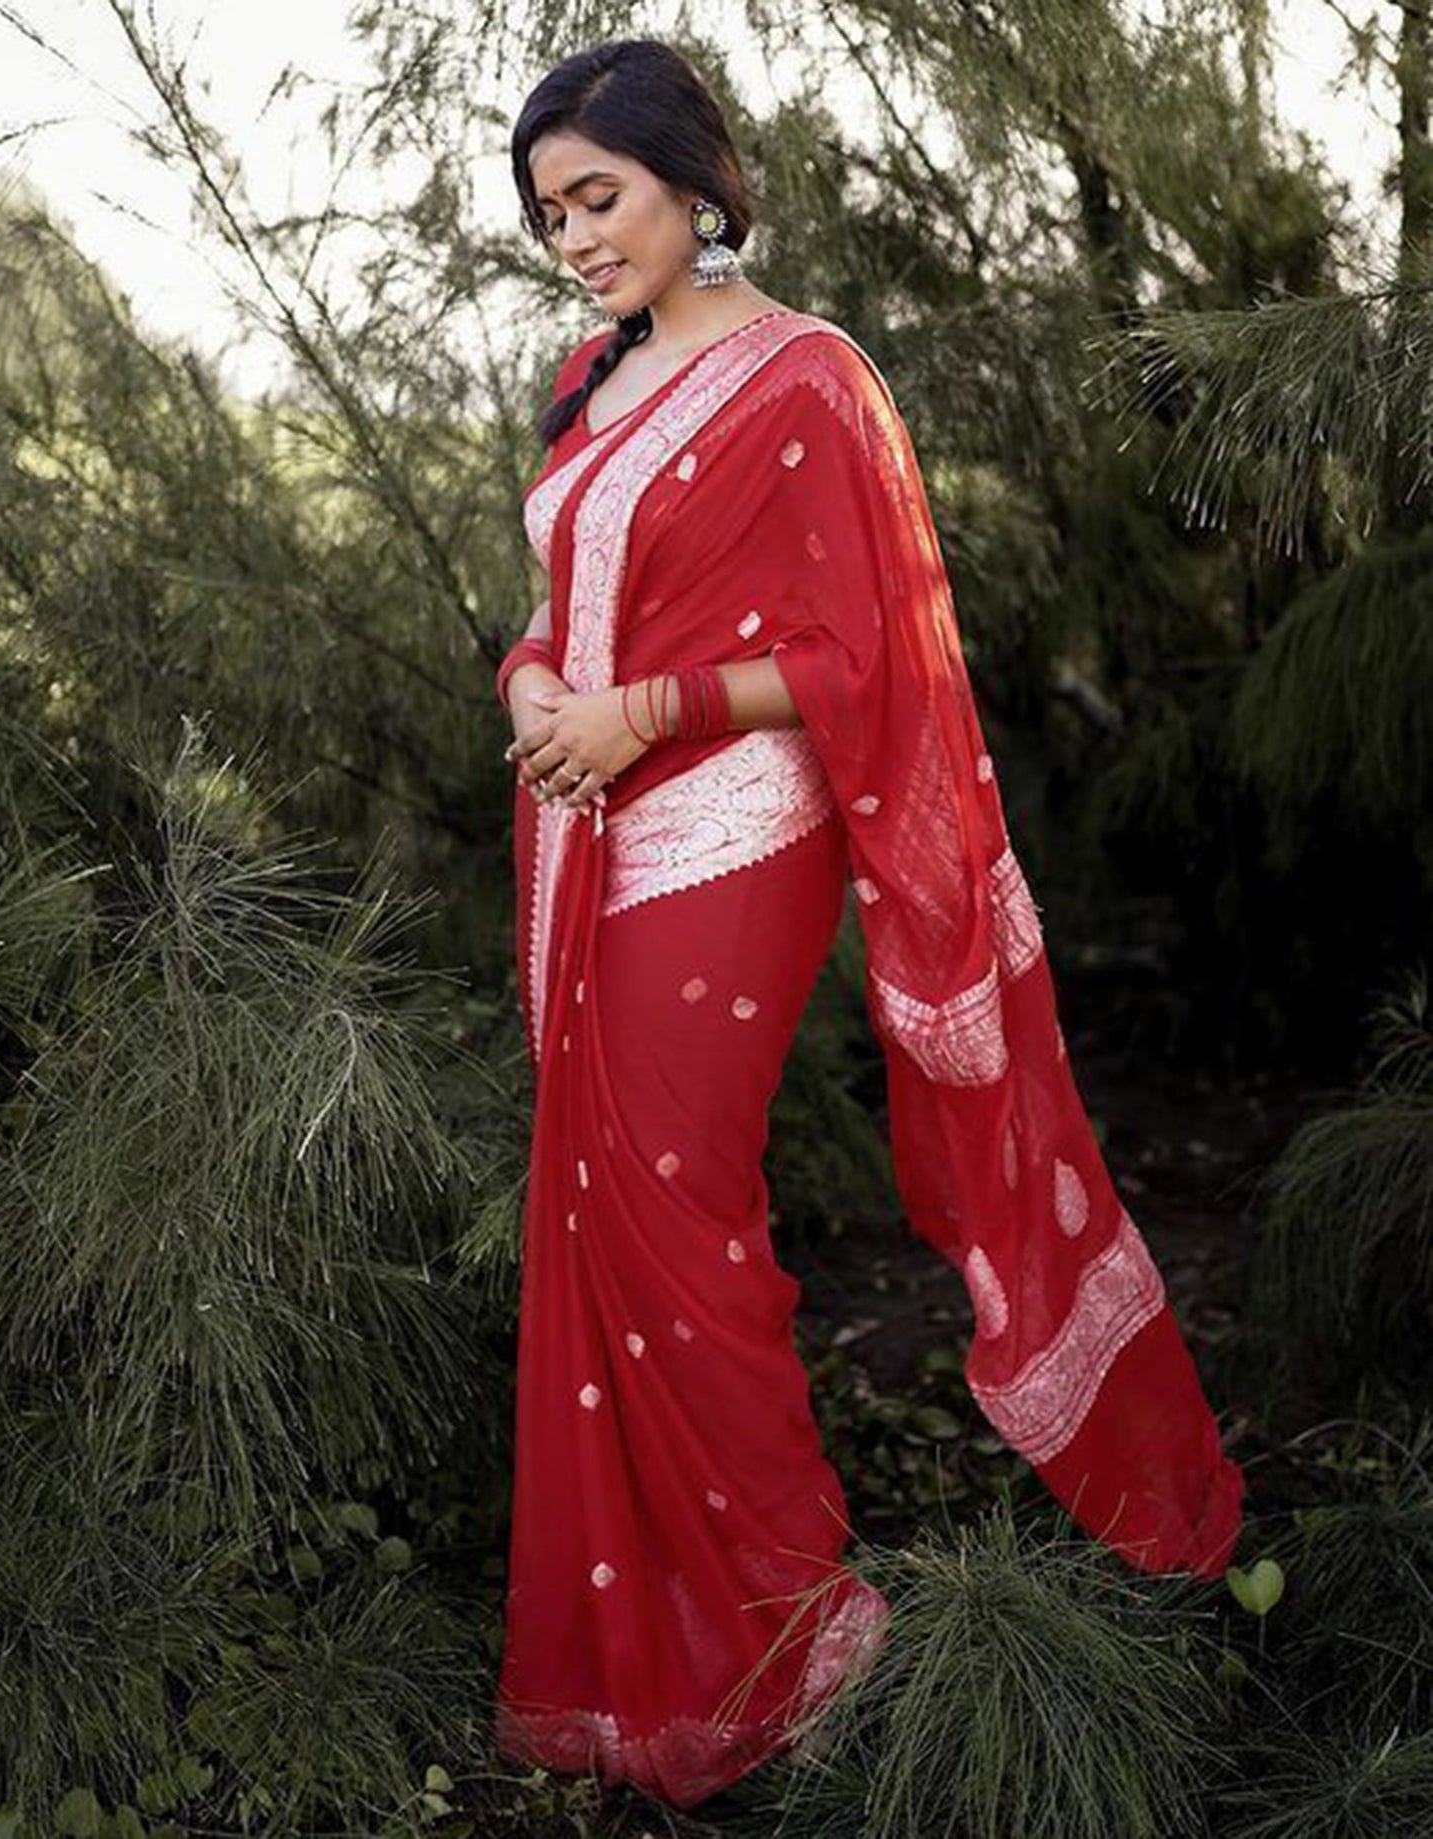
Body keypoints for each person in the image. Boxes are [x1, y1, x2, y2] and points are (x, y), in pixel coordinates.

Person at [493, 37, 1246, 1811]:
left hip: (728, 839)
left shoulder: (806, 380)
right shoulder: (583, 380)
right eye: (549, 215)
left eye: (598, 197)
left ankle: (797, 1627)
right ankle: (666, 1643)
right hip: (579, 830)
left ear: (691, 179)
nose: (577, 238)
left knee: (680, 1217)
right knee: (607, 1213)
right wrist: (534, 678)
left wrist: (641, 718)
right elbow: (561, 598)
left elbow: (862, 657)